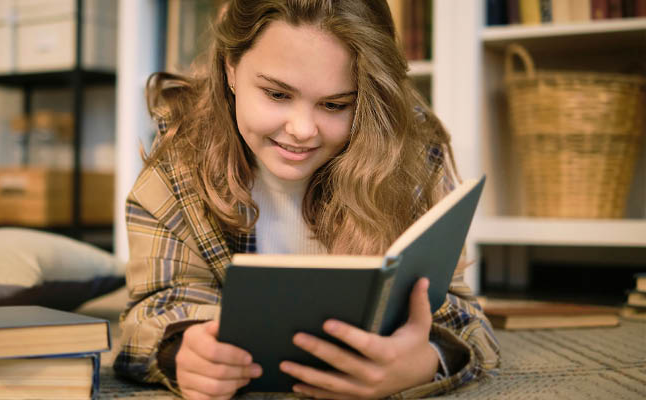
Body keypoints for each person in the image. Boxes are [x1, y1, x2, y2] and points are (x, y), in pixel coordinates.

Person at [113, 1, 500, 399]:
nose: (301, 130)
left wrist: (425, 362)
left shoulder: (409, 155)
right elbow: (150, 312)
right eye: (277, 94)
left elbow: (466, 320)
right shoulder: (178, 162)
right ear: (230, 67)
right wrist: (184, 352)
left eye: (335, 105)